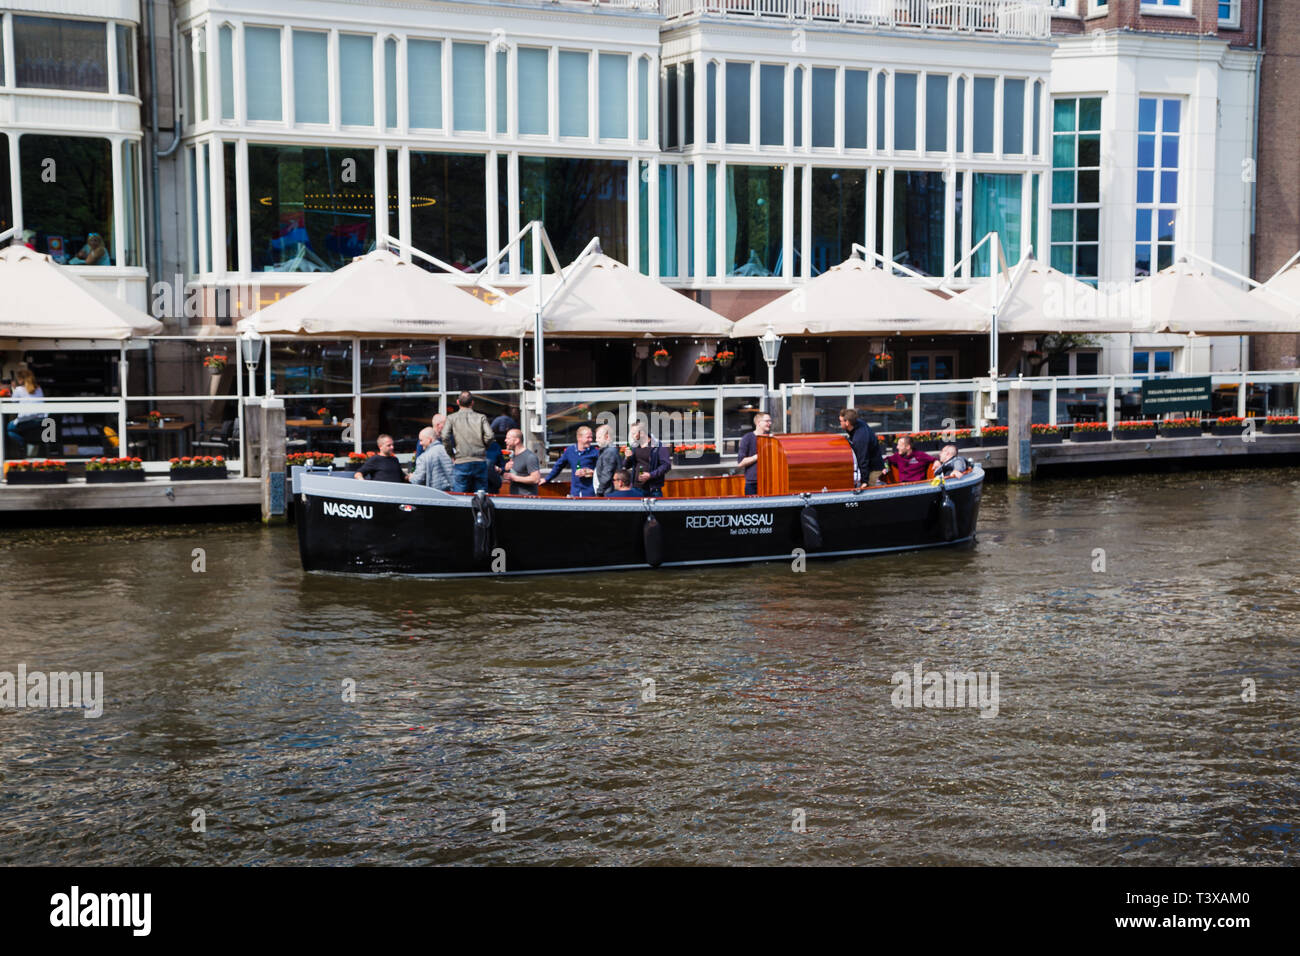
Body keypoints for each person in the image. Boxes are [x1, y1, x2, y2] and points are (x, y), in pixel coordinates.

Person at [443, 391, 495, 493]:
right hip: (479, 460)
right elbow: (490, 436)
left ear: (458, 402)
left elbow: (445, 436)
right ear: (472, 403)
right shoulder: (481, 417)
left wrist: (451, 455)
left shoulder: (451, 418)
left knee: (459, 496)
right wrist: (483, 447)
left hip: (461, 460)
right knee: (481, 495)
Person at [542, 425, 600, 497]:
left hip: (590, 492)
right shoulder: (570, 451)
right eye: (588, 437)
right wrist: (546, 479)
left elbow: (602, 471)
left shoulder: (595, 452)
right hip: (575, 492)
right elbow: (558, 466)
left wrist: (591, 472)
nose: (591, 440)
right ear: (579, 438)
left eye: (591, 437)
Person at [624, 421, 672, 497]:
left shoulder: (658, 446)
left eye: (633, 434)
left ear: (642, 433)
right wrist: (627, 457)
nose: (632, 436)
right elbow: (626, 466)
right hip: (636, 488)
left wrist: (650, 475)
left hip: (653, 490)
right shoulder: (634, 446)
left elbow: (667, 465)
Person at [839, 408, 884, 488]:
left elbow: (863, 460)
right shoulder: (857, 423)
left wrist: (864, 481)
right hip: (870, 463)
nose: (840, 423)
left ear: (847, 423)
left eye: (841, 421)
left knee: (869, 489)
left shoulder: (859, 438)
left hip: (873, 468)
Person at [736, 411, 772, 496]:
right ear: (758, 423)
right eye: (767, 421)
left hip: (770, 482)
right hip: (753, 483)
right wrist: (758, 456)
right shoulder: (747, 438)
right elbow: (740, 462)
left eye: (770, 421)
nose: (770, 423)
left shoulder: (772, 439)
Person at [410, 426, 454, 490]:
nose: (420, 443)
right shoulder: (448, 451)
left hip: (435, 494)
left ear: (429, 440)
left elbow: (418, 480)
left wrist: (411, 477)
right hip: (451, 493)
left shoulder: (424, 457)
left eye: (421, 440)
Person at [500, 428, 541, 495]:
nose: (505, 440)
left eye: (508, 438)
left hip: (527, 500)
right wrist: (502, 470)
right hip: (515, 498)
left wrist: (515, 478)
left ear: (517, 441)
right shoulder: (512, 456)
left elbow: (535, 479)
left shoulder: (530, 457)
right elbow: (515, 473)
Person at [592, 423, 622, 496]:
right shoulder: (606, 451)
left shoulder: (609, 452)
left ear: (607, 437)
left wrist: (600, 491)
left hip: (607, 493)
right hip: (606, 491)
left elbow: (607, 475)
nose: (596, 440)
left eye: (599, 437)